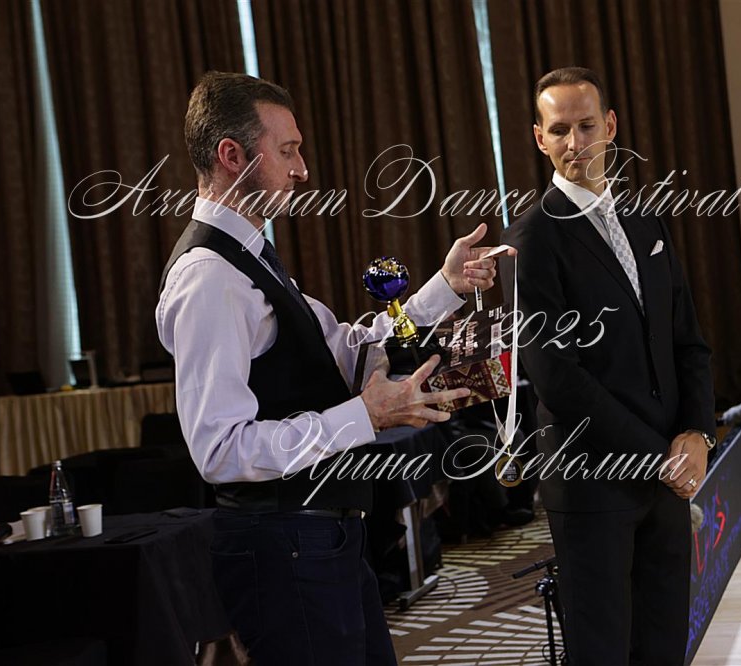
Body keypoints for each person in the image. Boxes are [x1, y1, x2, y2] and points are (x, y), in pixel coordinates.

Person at [157, 71, 507, 664]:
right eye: (287, 151)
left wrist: (445, 287)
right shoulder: (209, 278)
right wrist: (363, 417)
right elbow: (219, 449)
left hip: (320, 536)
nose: (302, 170)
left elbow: (345, 348)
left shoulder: (249, 257)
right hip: (282, 544)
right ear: (231, 156)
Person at [502, 67, 716, 666]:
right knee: (603, 655)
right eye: (559, 130)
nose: (575, 143)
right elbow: (557, 378)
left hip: (667, 477)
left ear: (611, 126)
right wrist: (660, 455)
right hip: (593, 483)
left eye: (587, 126)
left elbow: (688, 343)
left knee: (664, 649)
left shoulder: (647, 221)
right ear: (539, 138)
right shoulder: (531, 239)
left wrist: (697, 434)